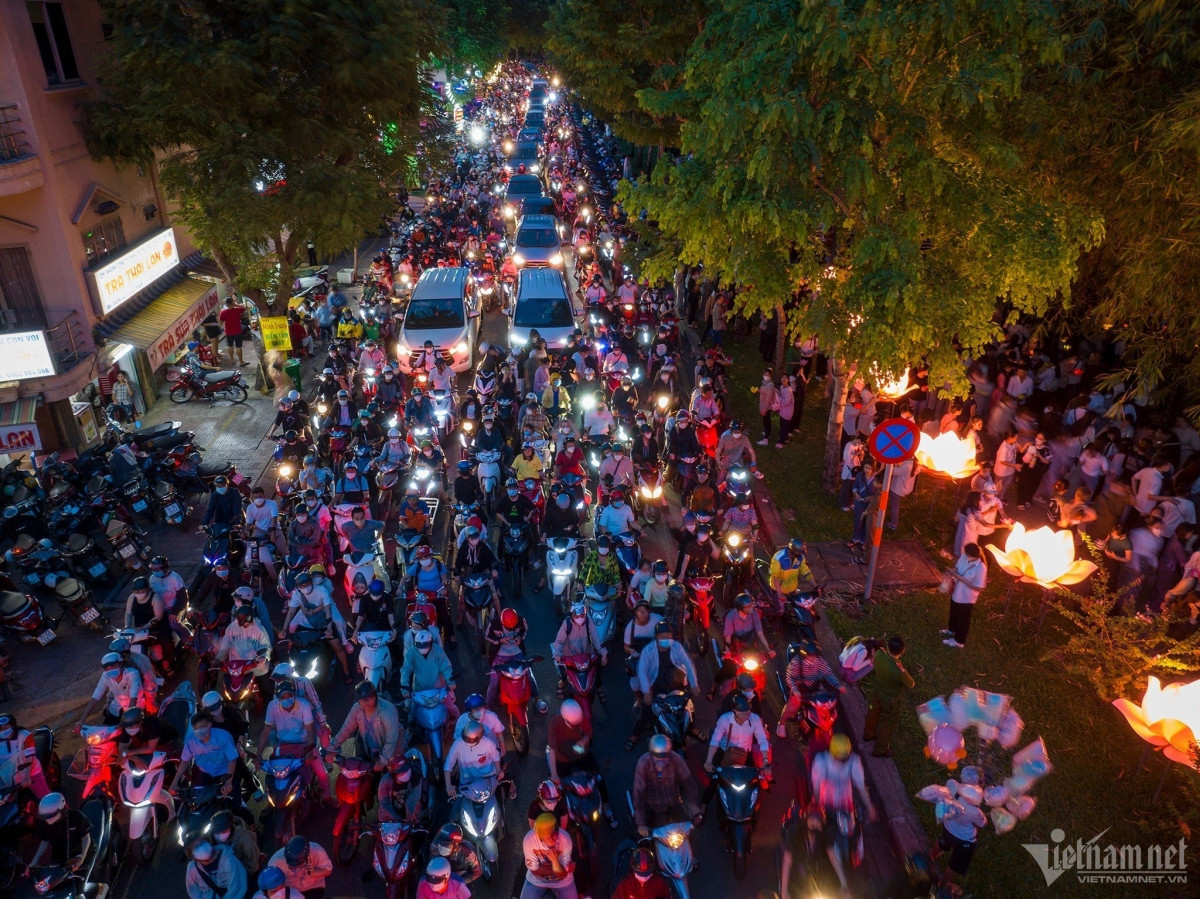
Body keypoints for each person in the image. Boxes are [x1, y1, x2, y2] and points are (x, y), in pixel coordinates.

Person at [810, 734, 876, 898]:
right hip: (826, 806)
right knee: (821, 836)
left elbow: (860, 787)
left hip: (846, 807)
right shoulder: (821, 762)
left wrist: (870, 807)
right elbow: (817, 788)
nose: (842, 761)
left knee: (851, 836)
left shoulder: (854, 762)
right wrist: (818, 807)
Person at [627, 620, 699, 751]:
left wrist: (694, 684)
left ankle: (692, 729)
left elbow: (688, 663)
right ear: (656, 637)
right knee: (646, 711)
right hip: (655, 686)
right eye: (663, 636)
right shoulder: (648, 651)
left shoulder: (677, 647)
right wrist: (647, 692)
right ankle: (634, 735)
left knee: (689, 707)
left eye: (669, 635)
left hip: (675, 684)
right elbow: (642, 671)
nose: (666, 638)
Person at [545, 699, 619, 827]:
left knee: (599, 778)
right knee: (559, 788)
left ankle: (606, 807)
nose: (576, 726)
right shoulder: (554, 724)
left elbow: (589, 733)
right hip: (563, 757)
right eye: (572, 725)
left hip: (581, 753)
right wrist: (554, 774)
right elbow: (551, 750)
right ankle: (563, 816)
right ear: (564, 719)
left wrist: (584, 740)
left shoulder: (581, 716)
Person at [257, 681, 333, 802]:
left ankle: (328, 797)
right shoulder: (272, 706)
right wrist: (258, 755)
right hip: (283, 745)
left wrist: (309, 751)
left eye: (289, 696)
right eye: (282, 697)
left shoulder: (304, 705)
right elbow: (265, 732)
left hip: (305, 744)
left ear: (294, 695)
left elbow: (309, 731)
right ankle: (271, 800)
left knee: (322, 773)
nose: (286, 699)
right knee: (273, 774)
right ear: (278, 698)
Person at [702, 694, 772, 801]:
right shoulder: (724, 720)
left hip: (745, 755)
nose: (747, 716)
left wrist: (765, 760)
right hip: (725, 753)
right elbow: (715, 741)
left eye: (748, 712)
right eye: (743, 714)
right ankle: (704, 804)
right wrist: (709, 760)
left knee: (753, 781)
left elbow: (762, 740)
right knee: (714, 781)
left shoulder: (755, 719)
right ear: (734, 712)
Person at [632, 736, 702, 834]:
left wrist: (694, 808)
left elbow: (689, 783)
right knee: (660, 835)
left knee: (685, 832)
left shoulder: (676, 759)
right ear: (651, 753)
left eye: (664, 755)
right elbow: (638, 793)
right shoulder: (643, 763)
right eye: (657, 756)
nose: (661, 760)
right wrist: (641, 823)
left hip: (674, 801)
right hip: (654, 805)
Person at [860, 635, 915, 758]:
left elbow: (874, 661)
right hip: (890, 699)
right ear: (902, 651)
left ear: (888, 646)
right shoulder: (898, 670)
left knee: (872, 712)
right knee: (887, 723)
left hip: (877, 691)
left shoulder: (879, 654)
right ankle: (880, 750)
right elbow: (911, 684)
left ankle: (868, 734)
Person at [329, 681, 403, 772]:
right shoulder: (356, 708)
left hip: (391, 752)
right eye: (362, 699)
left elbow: (392, 740)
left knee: (392, 779)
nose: (366, 701)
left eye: (369, 697)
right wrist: (332, 747)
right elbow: (346, 729)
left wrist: (383, 760)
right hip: (368, 749)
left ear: (375, 696)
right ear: (358, 700)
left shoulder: (388, 711)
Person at [778, 641, 844, 737]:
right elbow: (789, 677)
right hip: (800, 689)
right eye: (810, 655)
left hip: (815, 687)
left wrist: (837, 685)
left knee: (826, 702)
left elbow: (828, 673)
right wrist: (795, 689)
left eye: (815, 655)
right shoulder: (796, 663)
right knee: (792, 707)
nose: (813, 658)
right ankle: (781, 723)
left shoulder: (819, 661)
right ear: (804, 654)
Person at [928, 794, 987, 893]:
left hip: (948, 828)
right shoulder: (976, 812)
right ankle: (942, 885)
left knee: (943, 842)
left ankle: (929, 857)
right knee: (956, 865)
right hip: (964, 841)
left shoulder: (953, 786)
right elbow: (983, 824)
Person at [170, 710, 239, 794]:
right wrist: (175, 782)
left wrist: (228, 783)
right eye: (196, 729)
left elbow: (232, 759)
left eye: (202, 727)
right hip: (205, 772)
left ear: (209, 725)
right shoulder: (190, 740)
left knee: (235, 803)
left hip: (224, 773)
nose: (199, 731)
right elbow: (184, 761)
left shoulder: (223, 737)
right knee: (196, 800)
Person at [551, 603, 608, 696]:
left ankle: (598, 687)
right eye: (577, 616)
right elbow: (559, 641)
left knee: (594, 673)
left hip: (586, 653)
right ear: (572, 615)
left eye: (582, 616)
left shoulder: (589, 622)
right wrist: (557, 654)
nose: (580, 618)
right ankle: (560, 684)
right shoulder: (567, 624)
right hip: (570, 655)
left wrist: (604, 653)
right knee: (566, 676)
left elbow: (596, 638)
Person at [76, 651, 142, 731]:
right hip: (117, 705)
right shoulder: (105, 676)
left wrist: (130, 718)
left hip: (136, 707)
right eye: (106, 668)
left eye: (113, 666)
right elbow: (96, 695)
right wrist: (82, 719)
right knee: (105, 731)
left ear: (121, 664)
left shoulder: (132, 674)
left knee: (128, 735)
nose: (110, 670)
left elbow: (133, 697)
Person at [520, 813, 577, 899]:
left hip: (563, 882)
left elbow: (562, 875)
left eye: (556, 833)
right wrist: (562, 868)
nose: (556, 839)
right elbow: (535, 871)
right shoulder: (529, 841)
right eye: (550, 836)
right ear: (540, 836)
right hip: (536, 881)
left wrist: (554, 860)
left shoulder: (565, 839)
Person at [942, 543, 986, 649]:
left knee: (963, 619)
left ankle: (959, 641)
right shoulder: (964, 556)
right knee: (953, 612)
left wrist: (961, 579)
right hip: (957, 592)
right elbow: (957, 567)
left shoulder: (981, 568)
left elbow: (979, 588)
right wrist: (952, 572)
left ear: (972, 555)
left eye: (966, 554)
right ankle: (951, 630)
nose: (964, 555)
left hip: (967, 598)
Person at [29, 793, 90, 870]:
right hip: (58, 859)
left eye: (51, 815)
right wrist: (35, 860)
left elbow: (85, 838)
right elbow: (45, 841)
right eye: (45, 817)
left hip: (80, 856)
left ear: (62, 809)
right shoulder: (44, 823)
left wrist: (82, 856)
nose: (48, 819)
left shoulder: (77, 817)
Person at [444, 721, 503, 799]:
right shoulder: (458, 744)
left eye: (471, 739)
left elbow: (495, 755)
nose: (467, 741)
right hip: (468, 781)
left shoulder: (488, 743)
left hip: (487, 777)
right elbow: (448, 763)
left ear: (480, 737)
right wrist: (448, 785)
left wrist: (499, 770)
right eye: (466, 738)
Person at [186, 830, 248, 899]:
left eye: (202, 842)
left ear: (208, 842)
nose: (201, 847)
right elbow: (193, 891)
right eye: (196, 847)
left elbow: (237, 887)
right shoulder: (192, 868)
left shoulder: (228, 860)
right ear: (191, 855)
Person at [267, 836, 333, 898]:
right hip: (291, 888)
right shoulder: (276, 861)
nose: (295, 871)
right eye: (292, 867)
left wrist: (314, 872)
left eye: (299, 866)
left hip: (314, 886)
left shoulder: (318, 851)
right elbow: (271, 882)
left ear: (308, 856)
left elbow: (328, 871)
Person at [377, 753, 430, 824]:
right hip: (391, 813)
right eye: (401, 773)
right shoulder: (385, 781)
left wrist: (409, 820)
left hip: (407, 813)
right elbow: (384, 803)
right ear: (393, 775)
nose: (405, 774)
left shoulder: (415, 779)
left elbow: (413, 801)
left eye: (407, 770)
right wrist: (396, 819)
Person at [210, 807, 260, 877]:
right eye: (218, 832)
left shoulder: (241, 836)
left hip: (242, 869)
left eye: (224, 831)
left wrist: (247, 873)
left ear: (232, 827)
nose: (221, 835)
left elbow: (252, 856)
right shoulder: (211, 838)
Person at [218, 296, 248, 366]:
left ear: (226, 304)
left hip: (228, 331)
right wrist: (236, 305)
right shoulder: (237, 310)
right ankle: (241, 361)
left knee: (230, 346)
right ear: (232, 302)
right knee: (238, 347)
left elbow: (221, 322)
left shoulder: (223, 312)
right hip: (237, 330)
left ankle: (232, 359)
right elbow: (244, 308)